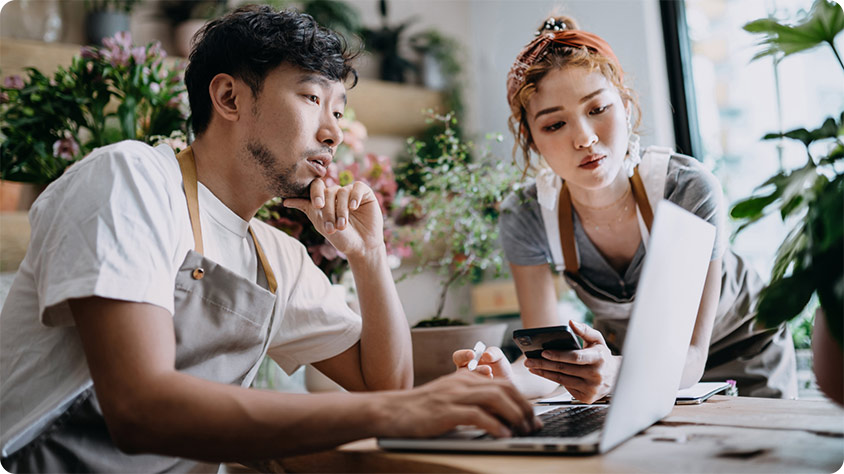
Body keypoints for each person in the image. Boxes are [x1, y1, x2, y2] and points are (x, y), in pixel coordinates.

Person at [0, 6, 539, 472]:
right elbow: (141, 408)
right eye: (310, 98)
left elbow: (386, 385)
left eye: (338, 112)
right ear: (229, 97)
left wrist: (370, 258)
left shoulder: (275, 252)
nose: (331, 132)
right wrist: (404, 412)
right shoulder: (131, 178)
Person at [454, 15, 797, 402]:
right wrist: (506, 380)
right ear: (531, 139)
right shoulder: (528, 215)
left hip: (743, 350)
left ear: (626, 103)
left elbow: (691, 357)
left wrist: (617, 369)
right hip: (635, 363)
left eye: (597, 108)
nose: (584, 138)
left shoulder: (686, 189)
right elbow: (549, 365)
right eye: (554, 125)